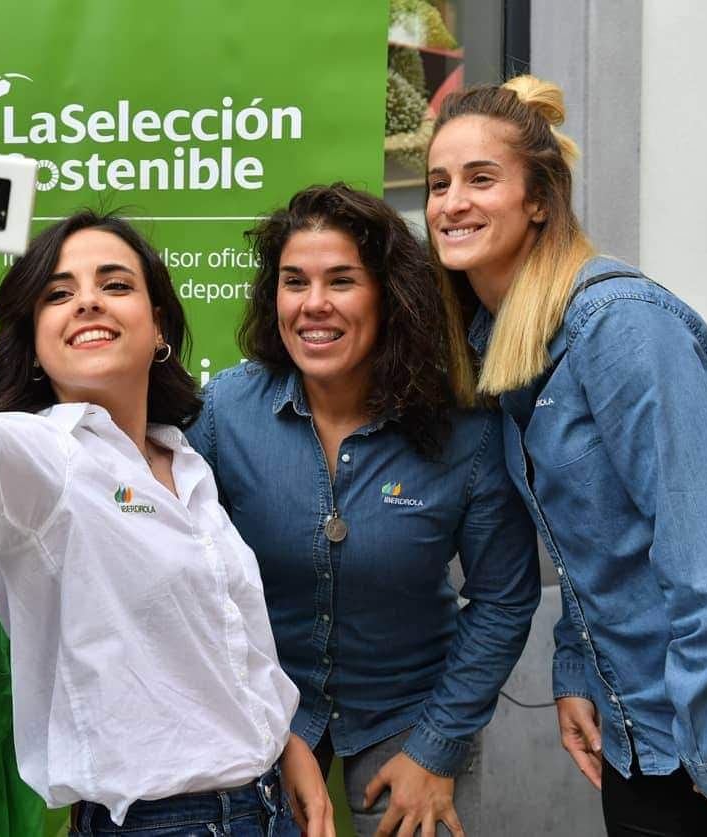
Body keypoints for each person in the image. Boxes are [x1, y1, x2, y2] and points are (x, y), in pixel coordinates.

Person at [0, 119, 335, 837]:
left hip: (267, 805)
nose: (88, 301)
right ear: (37, 344)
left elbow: (215, 651)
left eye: (115, 284)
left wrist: (283, 742)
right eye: (59, 293)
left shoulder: (186, 462)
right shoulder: (43, 460)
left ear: (158, 325)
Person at [187, 183, 541, 837]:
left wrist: (436, 747)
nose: (313, 304)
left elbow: (503, 598)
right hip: (261, 704)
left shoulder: (466, 427)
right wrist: (271, 728)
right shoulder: (222, 415)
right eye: (294, 281)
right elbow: (192, 587)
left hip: (414, 709)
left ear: (388, 295)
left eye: (341, 280)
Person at [425, 75, 707, 836]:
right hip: (640, 741)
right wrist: (577, 668)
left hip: (699, 749)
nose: (450, 202)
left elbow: (706, 563)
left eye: (480, 178)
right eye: (438, 183)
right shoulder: (508, 344)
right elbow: (597, 546)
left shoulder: (619, 325)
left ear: (540, 200)